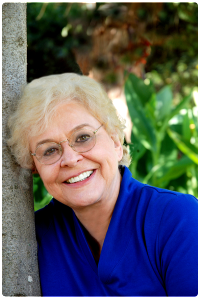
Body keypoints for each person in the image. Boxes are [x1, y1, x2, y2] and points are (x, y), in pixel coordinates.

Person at [7, 73, 198, 297]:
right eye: (49, 150)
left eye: (83, 137)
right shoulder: (32, 236)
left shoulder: (178, 218)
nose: (70, 158)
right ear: (35, 168)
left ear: (116, 142)